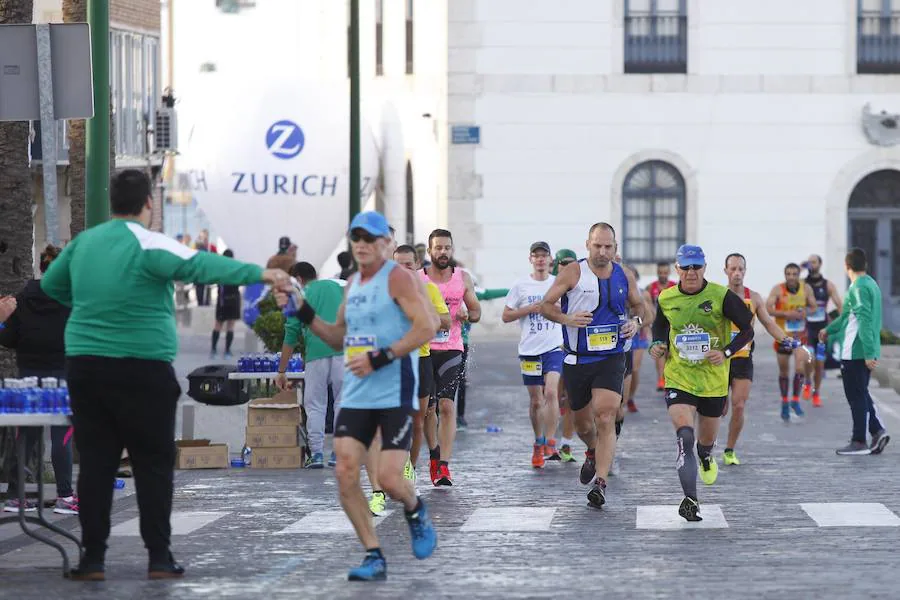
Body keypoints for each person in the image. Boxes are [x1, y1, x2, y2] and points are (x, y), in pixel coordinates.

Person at [40, 169, 289, 581]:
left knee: (98, 463)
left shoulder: (83, 244)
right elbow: (202, 266)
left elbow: (51, 285)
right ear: (149, 205)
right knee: (152, 463)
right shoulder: (149, 243)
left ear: (111, 203)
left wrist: (88, 302)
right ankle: (158, 557)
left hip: (85, 365)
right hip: (143, 366)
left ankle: (93, 560)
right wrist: (261, 273)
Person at [278, 211, 438, 581]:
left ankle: (415, 508)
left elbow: (427, 326)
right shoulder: (352, 285)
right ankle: (373, 553)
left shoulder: (398, 278)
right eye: (357, 238)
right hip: (356, 393)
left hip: (394, 390)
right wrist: (302, 309)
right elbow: (337, 338)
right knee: (345, 472)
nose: (363, 245)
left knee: (390, 479)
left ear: (385, 244)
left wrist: (381, 356)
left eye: (370, 238)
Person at [540, 223, 650, 509]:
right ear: (587, 245)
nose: (603, 252)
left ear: (615, 248)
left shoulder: (624, 275)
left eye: (608, 247)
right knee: (582, 424)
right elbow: (546, 305)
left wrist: (635, 323)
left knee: (605, 415)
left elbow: (642, 309)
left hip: (612, 356)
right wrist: (567, 319)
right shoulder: (573, 272)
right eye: (597, 246)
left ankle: (600, 483)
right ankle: (591, 450)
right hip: (577, 358)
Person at [649, 244, 754, 522]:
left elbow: (748, 328)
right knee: (685, 435)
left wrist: (727, 352)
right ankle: (690, 499)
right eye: (686, 267)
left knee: (704, 442)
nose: (691, 272)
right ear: (677, 269)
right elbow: (659, 325)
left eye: (696, 266)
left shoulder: (721, 296)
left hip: (713, 381)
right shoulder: (666, 297)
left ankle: (706, 455)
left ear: (705, 268)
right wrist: (658, 344)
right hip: (679, 376)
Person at [0, 245, 77, 515]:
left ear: (42, 269)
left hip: (28, 380)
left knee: (26, 439)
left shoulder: (22, 299)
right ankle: (65, 497)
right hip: (61, 380)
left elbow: (7, 339)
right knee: (62, 438)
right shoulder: (73, 302)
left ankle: (16, 496)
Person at [420, 229, 482, 487]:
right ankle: (433, 453)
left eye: (447, 248)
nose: (443, 252)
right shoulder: (417, 279)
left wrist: (468, 314)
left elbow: (477, 311)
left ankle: (444, 465)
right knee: (427, 409)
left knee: (447, 406)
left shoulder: (462, 278)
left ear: (452, 250)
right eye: (438, 248)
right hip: (423, 349)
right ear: (429, 251)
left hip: (452, 347)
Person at [721, 253, 795, 466]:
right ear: (725, 271)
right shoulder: (717, 295)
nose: (737, 273)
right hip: (721, 359)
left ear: (745, 271)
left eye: (741, 269)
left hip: (743, 358)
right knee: (717, 408)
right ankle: (706, 446)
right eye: (733, 269)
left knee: (740, 405)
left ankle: (729, 450)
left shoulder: (753, 297)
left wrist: (785, 339)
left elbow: (768, 323)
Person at [820, 248, 890, 456]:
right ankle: (877, 431)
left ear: (846, 266)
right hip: (862, 350)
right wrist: (828, 329)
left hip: (856, 352)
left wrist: (868, 353)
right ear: (865, 264)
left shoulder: (858, 288)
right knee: (862, 393)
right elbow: (846, 317)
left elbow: (865, 321)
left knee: (856, 396)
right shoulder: (870, 284)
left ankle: (859, 441)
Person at [276, 262, 345, 469]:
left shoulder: (300, 295)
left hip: (316, 354)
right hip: (344, 351)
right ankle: (338, 454)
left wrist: (282, 370)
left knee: (315, 404)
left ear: (298, 278)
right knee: (343, 402)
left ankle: (316, 455)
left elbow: (291, 332)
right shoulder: (338, 287)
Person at [393, 245, 450, 489]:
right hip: (393, 361)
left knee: (417, 420)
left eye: (409, 264)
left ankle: (410, 469)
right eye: (399, 265)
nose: (404, 269)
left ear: (417, 266)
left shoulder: (428, 290)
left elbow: (445, 321)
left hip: (421, 360)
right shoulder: (386, 293)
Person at [502, 242, 564, 468]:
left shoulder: (557, 283)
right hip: (529, 349)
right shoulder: (521, 285)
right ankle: (538, 442)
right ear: (530, 259)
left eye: (544, 256)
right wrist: (530, 308)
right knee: (536, 400)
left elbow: (568, 310)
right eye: (536, 256)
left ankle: (551, 441)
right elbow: (506, 316)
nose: (540, 260)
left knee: (551, 392)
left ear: (550, 260)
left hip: (554, 346)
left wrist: (555, 309)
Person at [766, 263, 817, 421]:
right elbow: (768, 308)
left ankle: (795, 400)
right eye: (788, 274)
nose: (792, 277)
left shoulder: (806, 289)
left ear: (798, 274)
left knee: (800, 367)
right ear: (785, 275)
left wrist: (804, 312)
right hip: (782, 336)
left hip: (799, 336)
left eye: (795, 274)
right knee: (784, 372)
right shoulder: (777, 289)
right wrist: (786, 314)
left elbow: (814, 307)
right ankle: (784, 402)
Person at [803, 254, 843, 406]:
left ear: (820, 264)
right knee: (809, 358)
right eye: (809, 262)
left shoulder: (828, 285)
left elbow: (840, 306)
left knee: (820, 363)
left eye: (814, 262)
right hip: (807, 329)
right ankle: (807, 381)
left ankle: (817, 393)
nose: (811, 264)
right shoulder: (803, 284)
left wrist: (837, 322)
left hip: (821, 331)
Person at [551, 249, 578, 462]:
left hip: (570, 350)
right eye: (563, 263)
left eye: (571, 263)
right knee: (549, 397)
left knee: (569, 400)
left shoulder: (579, 286)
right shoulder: (549, 286)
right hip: (548, 350)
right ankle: (546, 442)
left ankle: (566, 444)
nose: (567, 267)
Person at [647, 262, 676, 391]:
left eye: (665, 272)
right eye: (660, 272)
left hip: (672, 324)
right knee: (660, 350)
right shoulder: (650, 287)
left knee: (670, 353)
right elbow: (646, 305)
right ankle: (661, 379)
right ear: (657, 272)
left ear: (669, 272)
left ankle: (668, 377)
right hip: (657, 324)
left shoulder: (674, 286)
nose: (663, 275)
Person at [211, 249, 242, 358]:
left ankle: (213, 350)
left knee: (218, 325)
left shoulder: (220, 269)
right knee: (230, 325)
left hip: (222, 300)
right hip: (234, 300)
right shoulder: (236, 269)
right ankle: (227, 351)